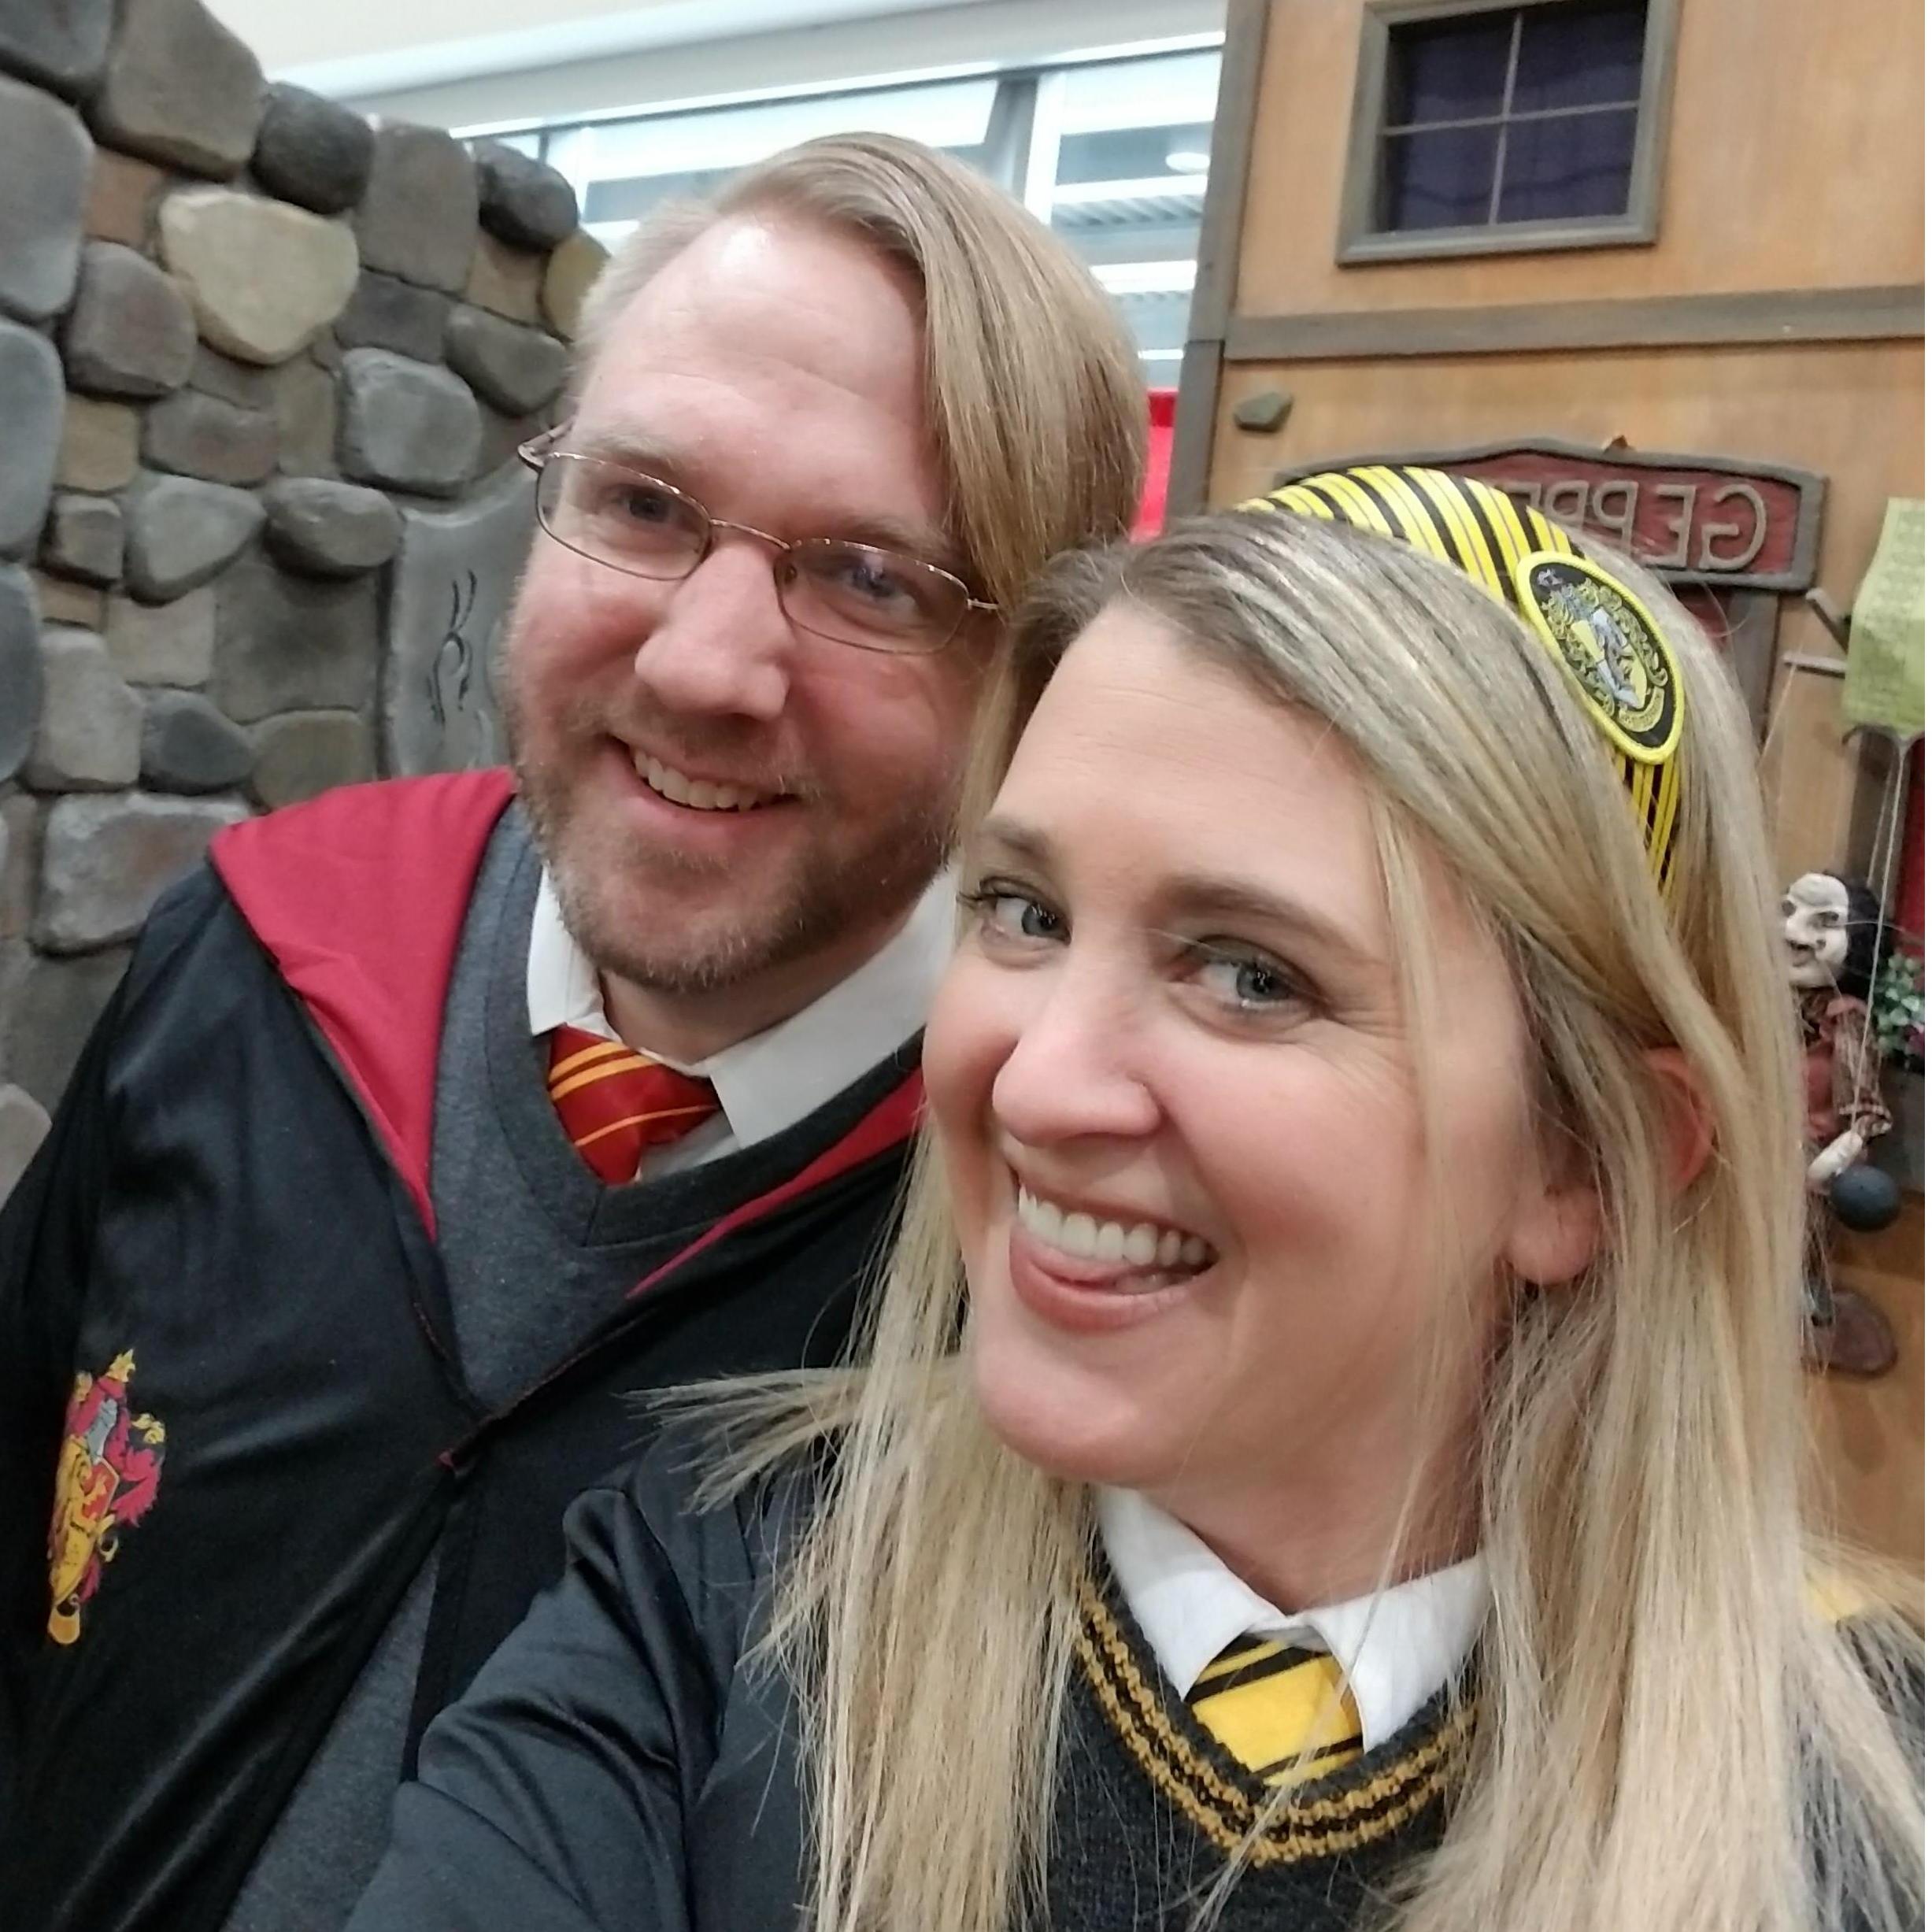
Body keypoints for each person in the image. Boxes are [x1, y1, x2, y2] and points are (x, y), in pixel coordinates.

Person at [348, 471, 1923, 1932]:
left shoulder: (1869, 1819)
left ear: (1584, 1160)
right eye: (1024, 911)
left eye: (1250, 975)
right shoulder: (722, 1594)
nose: (1034, 1086)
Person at [0, 134, 1145, 1932]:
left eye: (870, 578)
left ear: (1031, 677)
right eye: (645, 504)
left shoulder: (1050, 1245)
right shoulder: (264, 950)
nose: (702, 665)